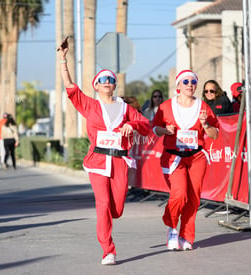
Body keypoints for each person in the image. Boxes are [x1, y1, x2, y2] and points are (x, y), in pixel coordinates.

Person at [57, 37, 151, 265]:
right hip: (98, 160)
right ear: (96, 85)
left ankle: (110, 223)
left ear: (114, 84)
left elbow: (146, 127)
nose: (108, 82)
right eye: (103, 79)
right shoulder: (89, 105)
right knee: (102, 204)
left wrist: (133, 124)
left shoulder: (126, 108)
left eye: (111, 79)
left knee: (116, 208)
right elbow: (70, 87)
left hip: (119, 161)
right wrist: (63, 60)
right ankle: (108, 249)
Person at [152, 70, 219, 251]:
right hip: (174, 156)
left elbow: (215, 134)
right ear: (178, 86)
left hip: (197, 156)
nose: (190, 84)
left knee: (194, 198)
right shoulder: (166, 106)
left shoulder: (203, 107)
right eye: (186, 81)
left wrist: (205, 125)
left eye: (193, 82)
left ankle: (186, 235)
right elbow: (155, 128)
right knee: (179, 195)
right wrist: (166, 131)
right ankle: (172, 226)